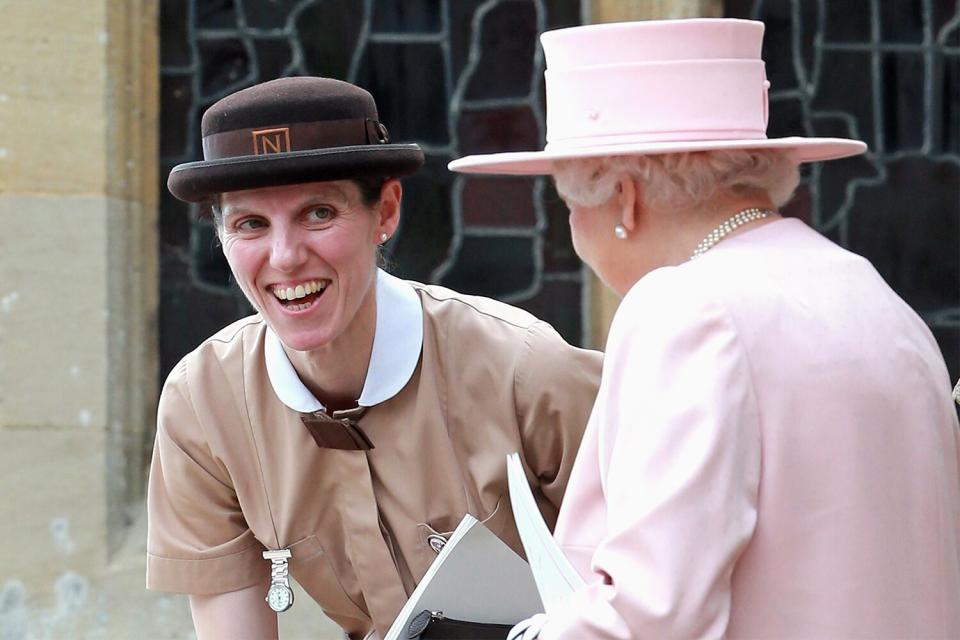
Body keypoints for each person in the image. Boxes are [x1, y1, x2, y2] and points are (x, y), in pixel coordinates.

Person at [450, 18, 960, 639]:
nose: (572, 233)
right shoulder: (874, 296)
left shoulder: (685, 309)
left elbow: (652, 612)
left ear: (624, 200)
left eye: (568, 206)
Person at [146, 76, 602, 640]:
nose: (285, 258)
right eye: (251, 224)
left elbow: (658, 589)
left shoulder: (529, 369)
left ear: (385, 211)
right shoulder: (202, 404)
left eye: (318, 213)